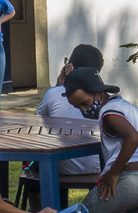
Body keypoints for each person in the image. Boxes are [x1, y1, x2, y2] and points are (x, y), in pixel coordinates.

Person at [61, 66, 138, 213]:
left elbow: (133, 138)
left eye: (84, 103)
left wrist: (114, 172)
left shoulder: (108, 112)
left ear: (99, 92)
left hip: (129, 182)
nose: (84, 110)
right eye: (78, 107)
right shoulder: (132, 109)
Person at [36, 44, 106, 179]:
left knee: (34, 162)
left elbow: (38, 122)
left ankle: (44, 199)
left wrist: (57, 87)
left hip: (59, 166)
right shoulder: (104, 95)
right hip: (100, 165)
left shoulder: (54, 93)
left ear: (70, 68)